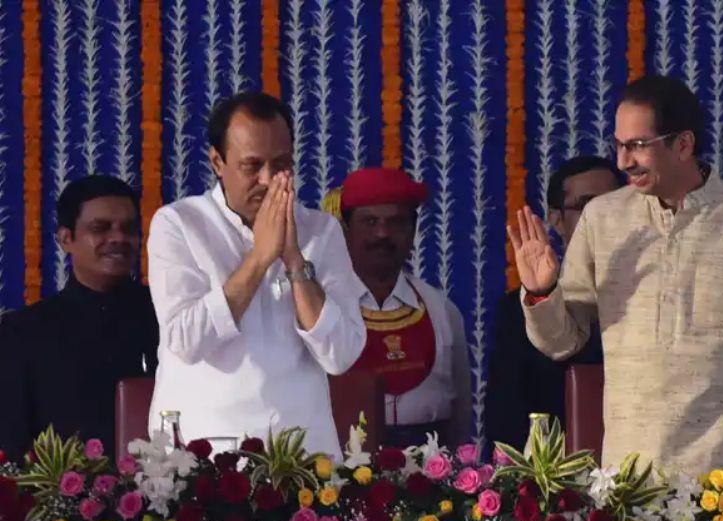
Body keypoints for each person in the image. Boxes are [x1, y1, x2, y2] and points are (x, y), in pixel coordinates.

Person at [507, 75, 723, 475]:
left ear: (684, 145)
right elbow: (563, 341)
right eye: (619, 145)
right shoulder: (603, 220)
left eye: (637, 146)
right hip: (635, 480)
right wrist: (541, 291)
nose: (622, 161)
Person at [147, 91, 366, 455]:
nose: (268, 180)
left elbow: (341, 355)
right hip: (204, 456)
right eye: (252, 166)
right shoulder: (178, 225)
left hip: (303, 454)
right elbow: (186, 341)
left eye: (281, 164)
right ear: (218, 162)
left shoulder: (321, 231)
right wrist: (260, 258)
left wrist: (295, 261)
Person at [0, 175, 158, 457]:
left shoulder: (167, 316)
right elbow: (11, 443)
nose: (118, 238)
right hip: (60, 497)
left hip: (168, 493)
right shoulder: (23, 333)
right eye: (100, 228)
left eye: (129, 228)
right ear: (66, 239)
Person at [331, 167, 471, 448]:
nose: (382, 233)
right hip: (339, 475)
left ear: (413, 230)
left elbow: (461, 413)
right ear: (345, 229)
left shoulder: (441, 310)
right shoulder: (323, 309)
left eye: (395, 222)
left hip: (431, 480)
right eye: (369, 221)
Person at [486, 155, 617, 449]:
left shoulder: (646, 295)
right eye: (586, 206)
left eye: (612, 203)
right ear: (557, 220)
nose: (602, 217)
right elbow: (506, 420)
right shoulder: (519, 309)